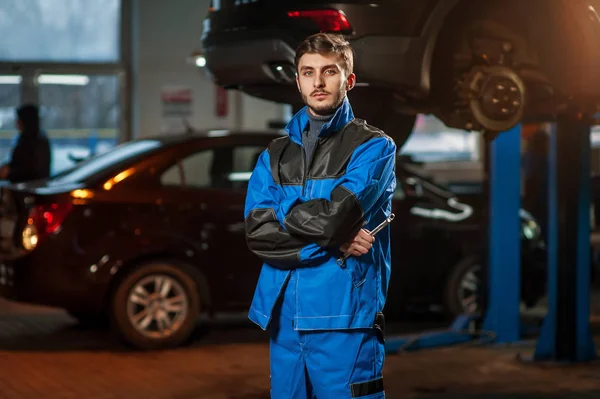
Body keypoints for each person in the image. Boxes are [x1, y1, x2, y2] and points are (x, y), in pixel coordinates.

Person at [244, 33, 396, 399]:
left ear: (349, 80)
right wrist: (336, 241)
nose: (318, 81)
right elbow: (258, 233)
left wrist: (287, 209)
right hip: (283, 318)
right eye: (308, 72)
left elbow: (333, 220)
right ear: (297, 81)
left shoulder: (373, 147)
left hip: (343, 317)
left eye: (329, 71)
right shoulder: (275, 154)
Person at [0, 104, 51, 183]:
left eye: (19, 119)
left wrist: (9, 172)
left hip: (29, 189)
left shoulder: (36, 142)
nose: (16, 122)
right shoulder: (25, 139)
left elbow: (33, 171)